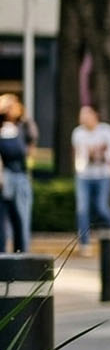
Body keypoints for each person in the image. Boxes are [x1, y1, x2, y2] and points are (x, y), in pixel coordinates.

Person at [71, 104, 110, 250]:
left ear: (94, 115)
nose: (83, 118)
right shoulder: (78, 133)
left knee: (101, 206)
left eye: (86, 115)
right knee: (82, 209)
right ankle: (84, 242)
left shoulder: (106, 131)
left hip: (103, 174)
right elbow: (78, 153)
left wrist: (102, 154)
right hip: (84, 175)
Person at [0, 96, 32, 253]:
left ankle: (22, 253)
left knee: (21, 218)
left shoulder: (23, 127)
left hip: (19, 176)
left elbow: (30, 145)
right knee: (2, 220)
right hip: (3, 177)